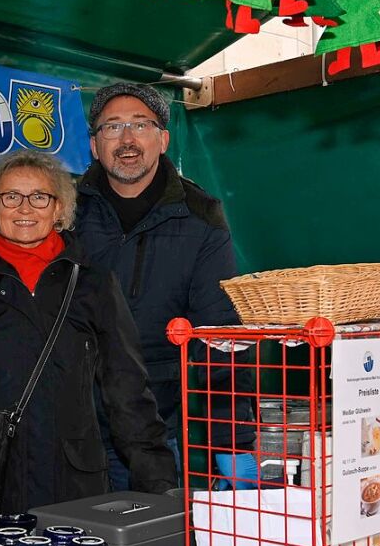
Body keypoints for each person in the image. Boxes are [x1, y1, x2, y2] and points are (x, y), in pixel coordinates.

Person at [0, 150, 177, 546]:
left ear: (58, 208)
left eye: (39, 197)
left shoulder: (94, 285)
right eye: (11, 196)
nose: (25, 208)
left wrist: (161, 493)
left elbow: (129, 392)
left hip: (74, 488)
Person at [74, 82, 255, 490]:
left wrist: (234, 443)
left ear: (163, 139)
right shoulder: (64, 211)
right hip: (69, 428)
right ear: (93, 144)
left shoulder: (201, 217)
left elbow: (220, 336)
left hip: (153, 430)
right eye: (112, 127)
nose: (127, 139)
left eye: (141, 125)